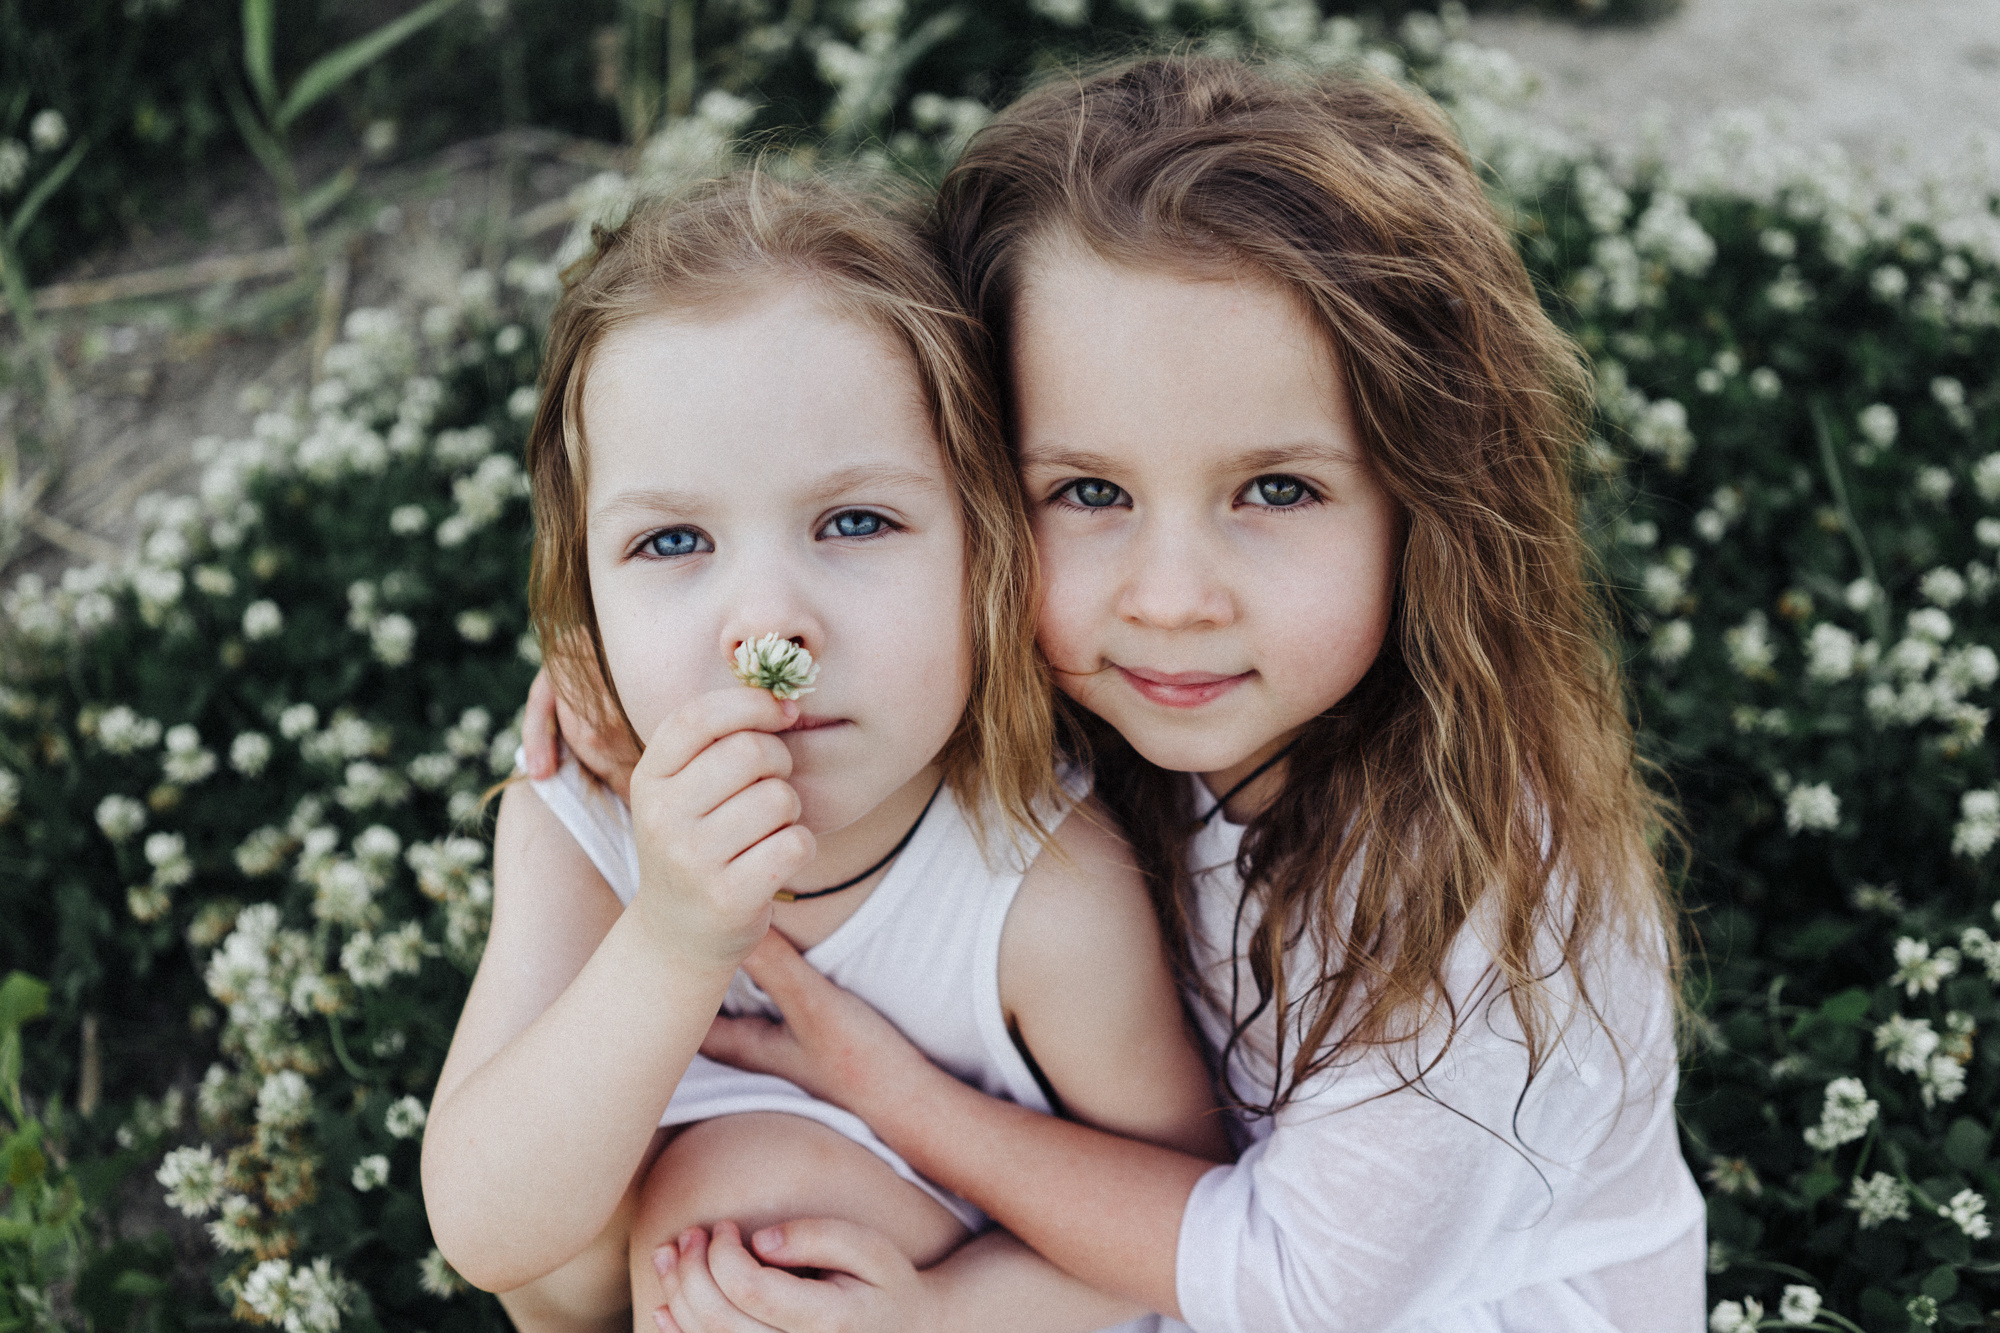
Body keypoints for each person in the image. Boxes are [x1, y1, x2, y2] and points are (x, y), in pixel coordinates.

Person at [528, 53, 1706, 1333]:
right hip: (1148, 1246)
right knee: (722, 1223)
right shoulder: (1120, 675)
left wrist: (901, 1121)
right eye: (1087, 492)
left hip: (1413, 1308)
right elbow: (781, 471)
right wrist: (641, 661)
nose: (1171, 596)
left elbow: (1296, 1283)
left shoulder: (1483, 883)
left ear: (1430, 502)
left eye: (1276, 489)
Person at [422, 171, 1231, 1333]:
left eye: (854, 522)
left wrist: (939, 1316)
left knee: (746, 1214)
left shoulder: (1037, 886)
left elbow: (1190, 1236)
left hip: (960, 1297)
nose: (766, 629)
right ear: (582, 601)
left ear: (986, 548)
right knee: (586, 1195)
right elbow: (491, 1233)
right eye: (670, 540)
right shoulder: (580, 817)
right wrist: (672, 936)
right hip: (646, 1286)